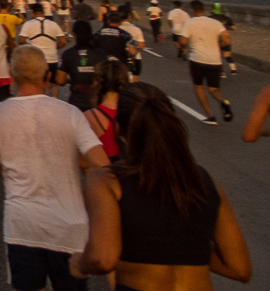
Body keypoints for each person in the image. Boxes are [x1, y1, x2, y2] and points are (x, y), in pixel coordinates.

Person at [70, 82, 252, 288]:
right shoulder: (203, 180)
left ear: (119, 127)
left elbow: (102, 258)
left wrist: (79, 264)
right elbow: (240, 268)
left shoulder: (107, 180)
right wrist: (186, 247)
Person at [0, 45, 110, 291]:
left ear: (13, 76)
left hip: (23, 226)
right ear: (47, 76)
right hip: (70, 227)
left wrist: (2, 168)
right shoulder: (70, 113)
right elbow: (102, 163)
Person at [179, 0, 233, 125]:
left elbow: (183, 41)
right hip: (215, 60)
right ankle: (223, 101)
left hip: (197, 59)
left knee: (198, 86)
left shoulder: (189, 22)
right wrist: (220, 44)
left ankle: (210, 115)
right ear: (204, 9)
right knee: (214, 88)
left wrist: (185, 46)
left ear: (192, 10)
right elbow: (227, 40)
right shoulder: (216, 23)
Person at [84, 59, 129, 163]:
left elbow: (84, 160)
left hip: (106, 174)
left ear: (98, 83)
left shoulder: (90, 116)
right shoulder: (134, 110)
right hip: (130, 173)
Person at [56, 21, 108, 111]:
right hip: (96, 103)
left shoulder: (68, 54)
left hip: (76, 103)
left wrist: (70, 80)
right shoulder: (101, 54)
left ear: (73, 33)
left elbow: (60, 81)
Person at [18, 3, 67, 94]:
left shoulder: (28, 24)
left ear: (32, 13)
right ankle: (54, 100)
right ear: (44, 13)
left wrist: (28, 49)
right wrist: (56, 47)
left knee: (37, 83)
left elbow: (21, 41)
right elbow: (63, 41)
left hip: (36, 59)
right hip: (52, 58)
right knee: (53, 83)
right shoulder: (53, 24)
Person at [118, 6, 146, 78]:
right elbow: (142, 46)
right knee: (134, 83)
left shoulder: (116, 28)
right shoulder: (136, 29)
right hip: (135, 58)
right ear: (129, 15)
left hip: (119, 59)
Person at [212, 3, 237, 75]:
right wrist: (226, 27)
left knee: (218, 57)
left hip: (216, 40)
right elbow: (233, 28)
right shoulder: (226, 18)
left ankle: (221, 72)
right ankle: (233, 69)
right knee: (227, 55)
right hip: (226, 38)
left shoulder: (210, 18)